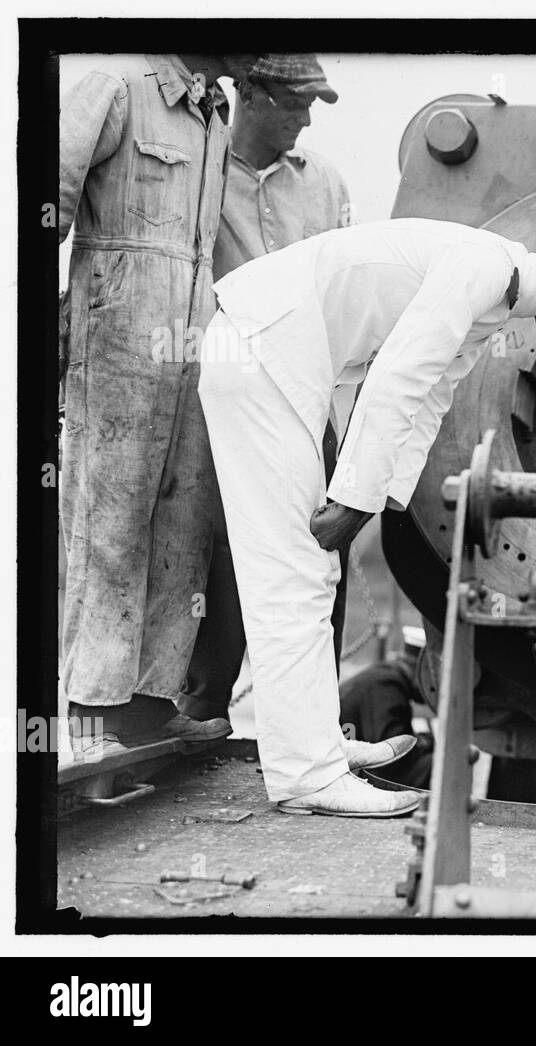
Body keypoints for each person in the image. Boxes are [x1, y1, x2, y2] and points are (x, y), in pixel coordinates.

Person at [199, 204, 536, 816]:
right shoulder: (481, 271)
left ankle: (315, 748)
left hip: (282, 352)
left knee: (314, 573)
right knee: (293, 572)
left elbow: (430, 395)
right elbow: (396, 378)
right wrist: (350, 502)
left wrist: (386, 501)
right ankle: (306, 777)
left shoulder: (492, 289)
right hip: (263, 351)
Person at [59, 54, 262, 758]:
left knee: (184, 525)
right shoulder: (115, 88)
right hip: (116, 333)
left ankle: (146, 707)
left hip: (193, 343)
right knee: (108, 522)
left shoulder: (215, 114)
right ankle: (89, 711)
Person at [180, 54, 356, 726]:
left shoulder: (326, 183)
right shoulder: (204, 173)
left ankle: (319, 719)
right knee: (223, 547)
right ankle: (205, 705)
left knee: (325, 542)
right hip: (232, 386)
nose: (307, 118)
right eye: (295, 101)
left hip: (308, 390)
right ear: (249, 94)